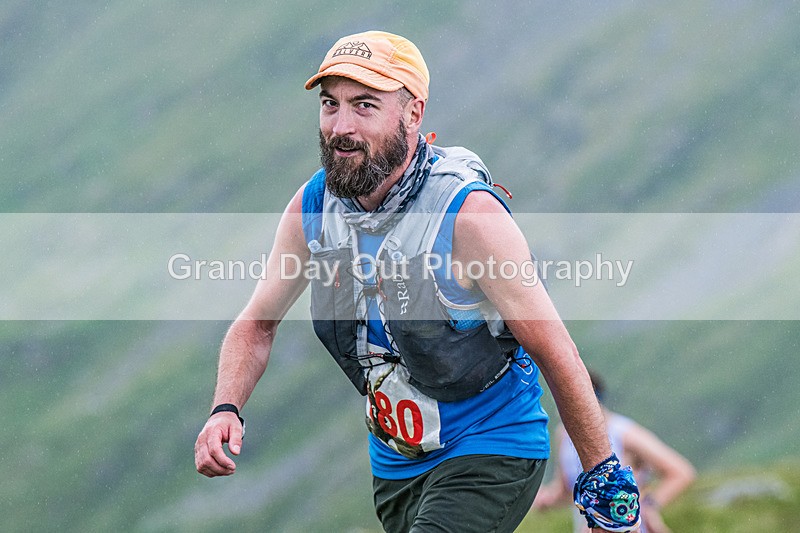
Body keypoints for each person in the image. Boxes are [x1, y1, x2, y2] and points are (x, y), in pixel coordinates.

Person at [194, 30, 640, 532]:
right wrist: (224, 408)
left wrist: (602, 475)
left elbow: (553, 347)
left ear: (413, 113)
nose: (341, 127)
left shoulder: (468, 216)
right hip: (396, 465)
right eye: (330, 104)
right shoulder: (312, 209)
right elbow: (257, 324)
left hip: (491, 446)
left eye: (364, 106)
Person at [533, 371, 696, 533]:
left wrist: (649, 505)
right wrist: (542, 499)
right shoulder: (563, 435)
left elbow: (680, 471)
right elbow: (567, 491)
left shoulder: (624, 433)